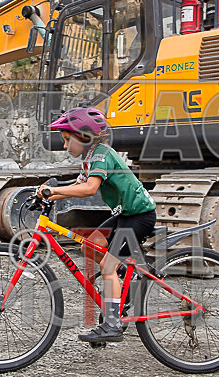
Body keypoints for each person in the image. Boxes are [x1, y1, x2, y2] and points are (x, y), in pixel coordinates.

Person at [37, 107, 156, 343]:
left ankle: (112, 325)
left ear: (83, 136)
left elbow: (89, 189)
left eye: (67, 139)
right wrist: (47, 195)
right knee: (88, 246)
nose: (65, 146)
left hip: (139, 216)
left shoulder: (101, 154)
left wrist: (55, 190)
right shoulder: (91, 157)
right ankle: (128, 279)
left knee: (108, 267)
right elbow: (77, 187)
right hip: (125, 215)